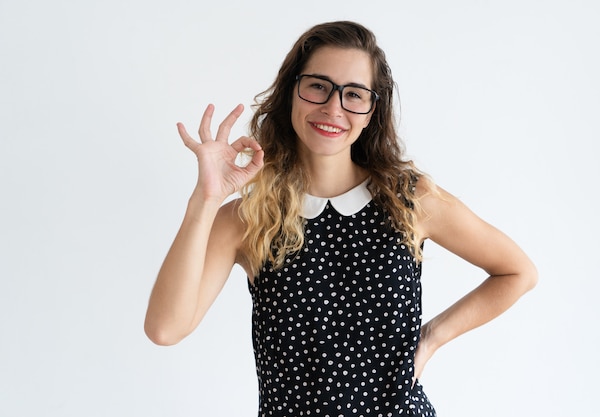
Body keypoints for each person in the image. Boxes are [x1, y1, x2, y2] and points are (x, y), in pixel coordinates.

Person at [144, 20, 538, 417]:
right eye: (318, 85)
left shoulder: (410, 199)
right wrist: (206, 199)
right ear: (291, 93)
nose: (333, 108)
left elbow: (517, 272)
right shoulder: (249, 218)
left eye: (354, 94)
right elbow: (165, 329)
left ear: (371, 111)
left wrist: (434, 336)